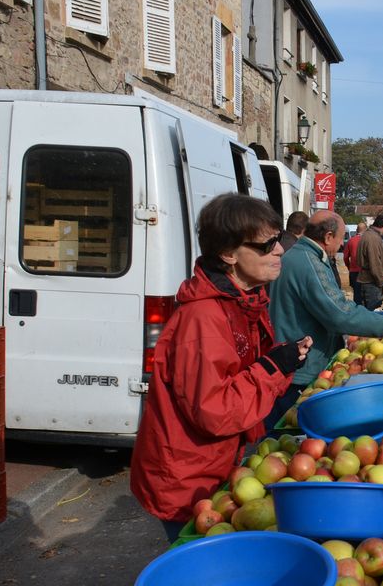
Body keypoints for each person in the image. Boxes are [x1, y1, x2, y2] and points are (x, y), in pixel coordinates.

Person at [130, 194, 310, 542]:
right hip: (188, 477)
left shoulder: (244, 301)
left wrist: (280, 358)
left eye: (279, 240)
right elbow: (216, 409)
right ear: (229, 254)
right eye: (266, 244)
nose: (279, 251)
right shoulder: (204, 318)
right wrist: (274, 367)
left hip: (217, 465)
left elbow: (237, 368)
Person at [268, 211, 383, 429]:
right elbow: (340, 312)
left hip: (291, 356)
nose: (341, 245)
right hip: (299, 367)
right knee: (290, 426)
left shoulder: (299, 255)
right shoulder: (309, 263)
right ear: (328, 237)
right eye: (340, 238)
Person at [356, 215, 383, 310]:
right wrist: (381, 281)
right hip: (371, 282)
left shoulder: (370, 235)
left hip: (370, 281)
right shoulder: (372, 238)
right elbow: (375, 263)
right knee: (374, 312)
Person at [344, 222, 367, 307]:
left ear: (357, 230)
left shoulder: (351, 240)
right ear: (366, 230)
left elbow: (345, 257)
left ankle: (358, 312)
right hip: (365, 271)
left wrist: (349, 267)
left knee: (356, 294)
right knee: (366, 294)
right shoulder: (367, 240)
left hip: (354, 271)